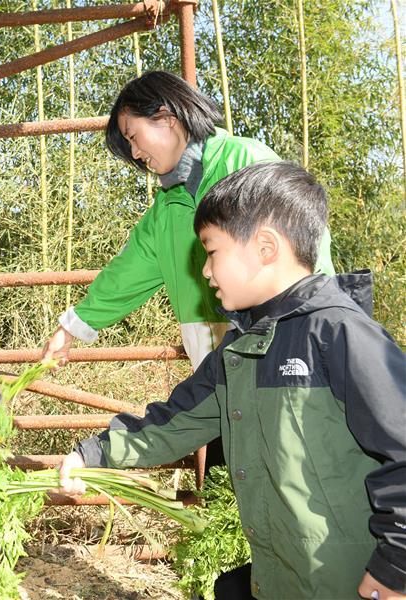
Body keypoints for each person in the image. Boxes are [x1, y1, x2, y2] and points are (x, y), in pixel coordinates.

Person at [58, 162, 406, 599]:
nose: (204, 271)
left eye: (212, 251)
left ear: (264, 247)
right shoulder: (240, 350)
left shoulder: (341, 335)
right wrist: (93, 454)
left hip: (352, 583)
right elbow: (173, 422)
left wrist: (396, 566)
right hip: (281, 578)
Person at [41, 71, 335, 372]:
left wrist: (318, 320)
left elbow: (306, 243)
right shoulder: (166, 208)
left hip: (287, 344)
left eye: (133, 137)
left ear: (166, 117)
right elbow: (127, 273)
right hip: (214, 361)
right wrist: (72, 327)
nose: (134, 153)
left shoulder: (245, 163)